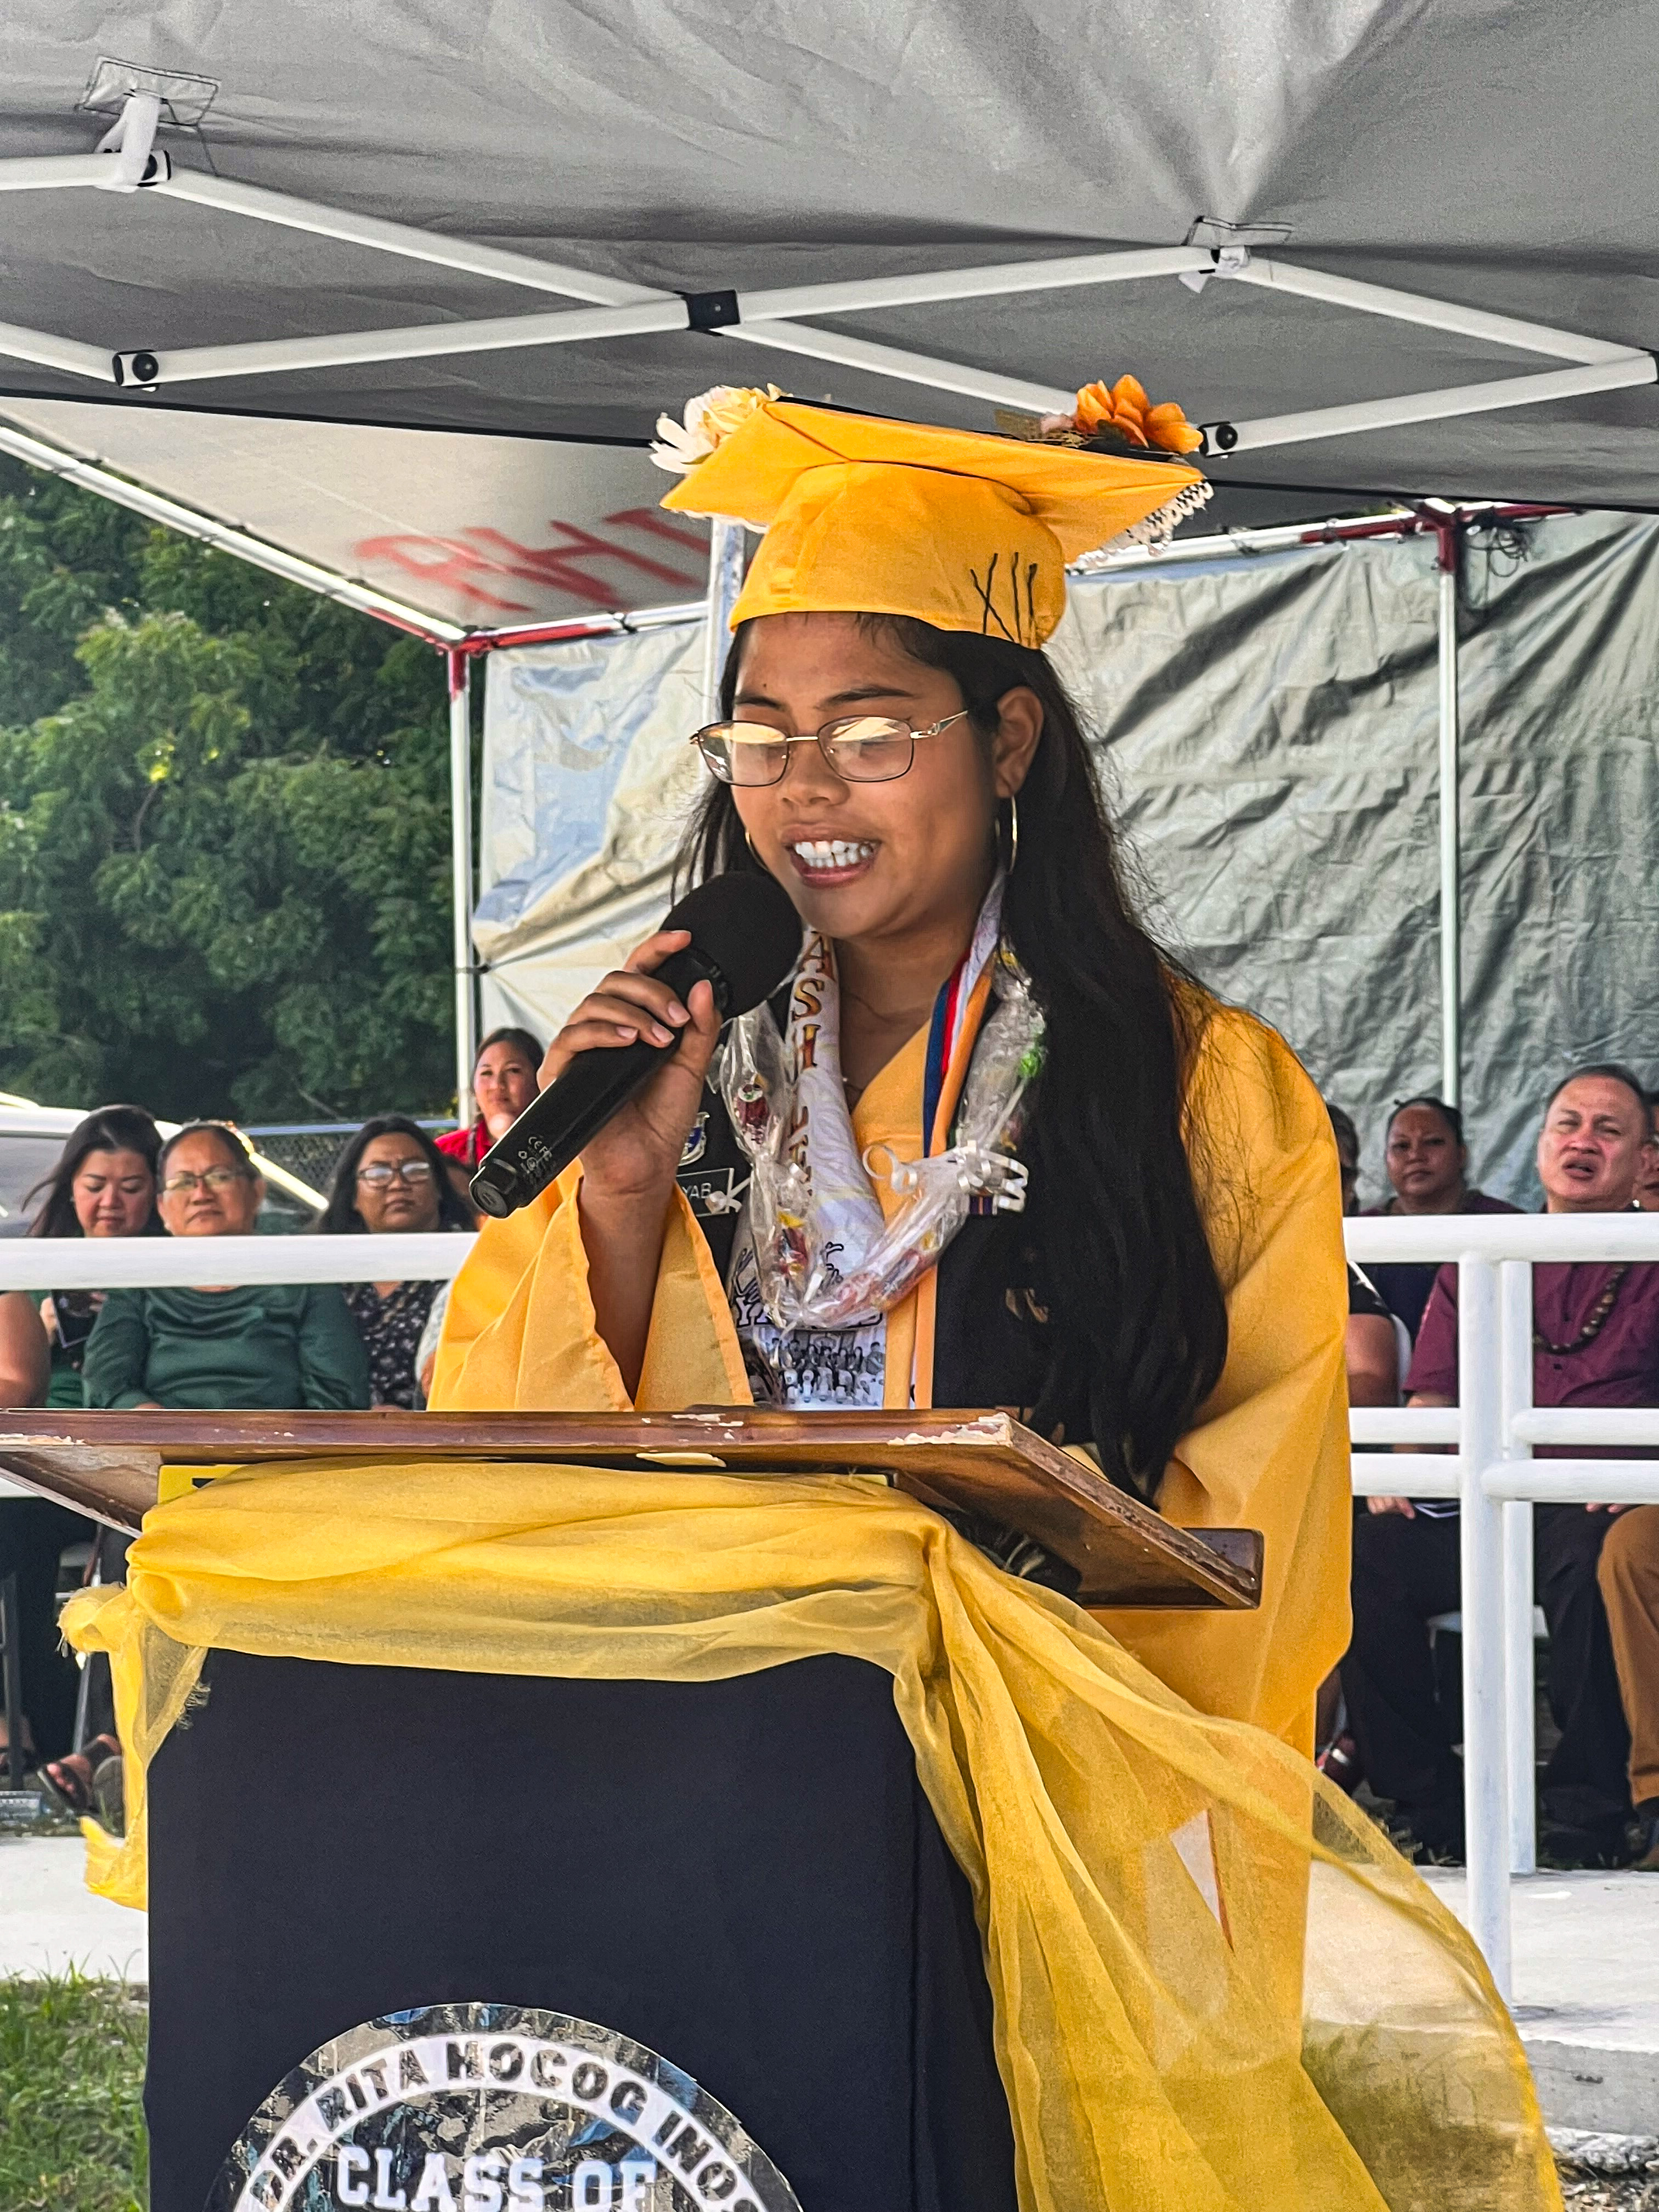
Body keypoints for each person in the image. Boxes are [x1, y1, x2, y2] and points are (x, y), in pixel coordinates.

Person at [436, 383, 1353, 1756]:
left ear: (1009, 745)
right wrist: (622, 1195)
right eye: (762, 737)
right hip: (719, 1740)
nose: (806, 790)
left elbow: (1253, 1504)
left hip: (1039, 1762)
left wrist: (1001, 1705)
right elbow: (507, 1473)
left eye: (870, 736)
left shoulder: (1197, 1084)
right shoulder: (685, 1066)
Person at [1343, 1065, 1659, 1863]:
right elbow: (1431, 1395)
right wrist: (1403, 1468)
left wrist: (1634, 1475)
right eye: (1567, 1124)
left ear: (1642, 1161)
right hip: (1485, 1498)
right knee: (1360, 1559)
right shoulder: (1485, 1255)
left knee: (1593, 1567)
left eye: (1608, 1131)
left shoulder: (1652, 1256)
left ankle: (1588, 1814)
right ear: (1541, 1144)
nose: (1582, 1141)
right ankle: (1431, 1807)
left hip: (1596, 1501)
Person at [0, 1107, 163, 1784]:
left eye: (131, 1185)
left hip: (133, 1457)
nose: (111, 1201)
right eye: (96, 1183)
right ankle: (23, 1734)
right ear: (70, 1186)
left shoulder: (187, 1265)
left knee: (136, 1553)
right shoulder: (32, 1267)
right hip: (44, 1463)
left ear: (156, 1189)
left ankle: (109, 1742)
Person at [82, 1121, 370, 1413]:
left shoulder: (302, 1277)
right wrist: (160, 1426)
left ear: (256, 1191)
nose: (201, 1194)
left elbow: (338, 1396)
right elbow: (106, 1384)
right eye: (183, 1182)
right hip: (160, 1449)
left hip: (280, 1452)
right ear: (163, 1208)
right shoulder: (139, 1281)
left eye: (218, 1176)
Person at [321, 1115, 475, 1408]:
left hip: (441, 1436)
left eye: (415, 1170)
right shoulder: (326, 1271)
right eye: (378, 1174)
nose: (398, 1183)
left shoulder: (470, 1265)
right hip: (335, 1439)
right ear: (353, 1195)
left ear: (439, 1187)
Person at [1361, 1096, 1519, 1336]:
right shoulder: (1359, 1234)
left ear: (1461, 1154)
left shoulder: (1507, 1225)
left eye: (1433, 1142)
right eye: (1401, 1146)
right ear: (1386, 1159)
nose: (1416, 1155)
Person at [435, 1028, 543, 1174]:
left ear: (539, 1081)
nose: (497, 1085)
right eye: (486, 1073)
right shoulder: (445, 1152)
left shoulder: (562, 1148)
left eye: (513, 1071)